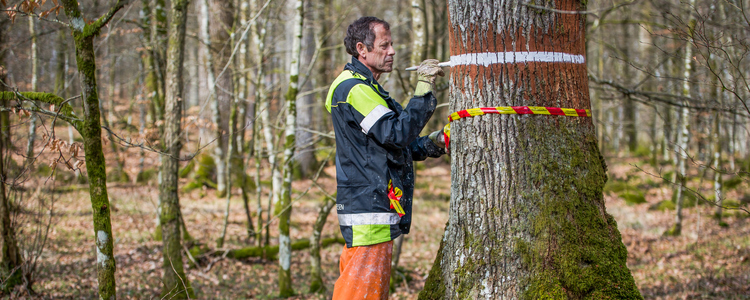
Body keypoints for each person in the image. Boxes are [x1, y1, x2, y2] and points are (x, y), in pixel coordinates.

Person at [324, 16, 446, 299]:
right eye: (385, 45)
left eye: (392, 45)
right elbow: (396, 134)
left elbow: (392, 145)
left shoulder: (368, 88)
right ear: (361, 49)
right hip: (369, 213)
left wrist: (433, 143)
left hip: (373, 210)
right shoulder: (355, 89)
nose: (392, 51)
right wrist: (423, 87)